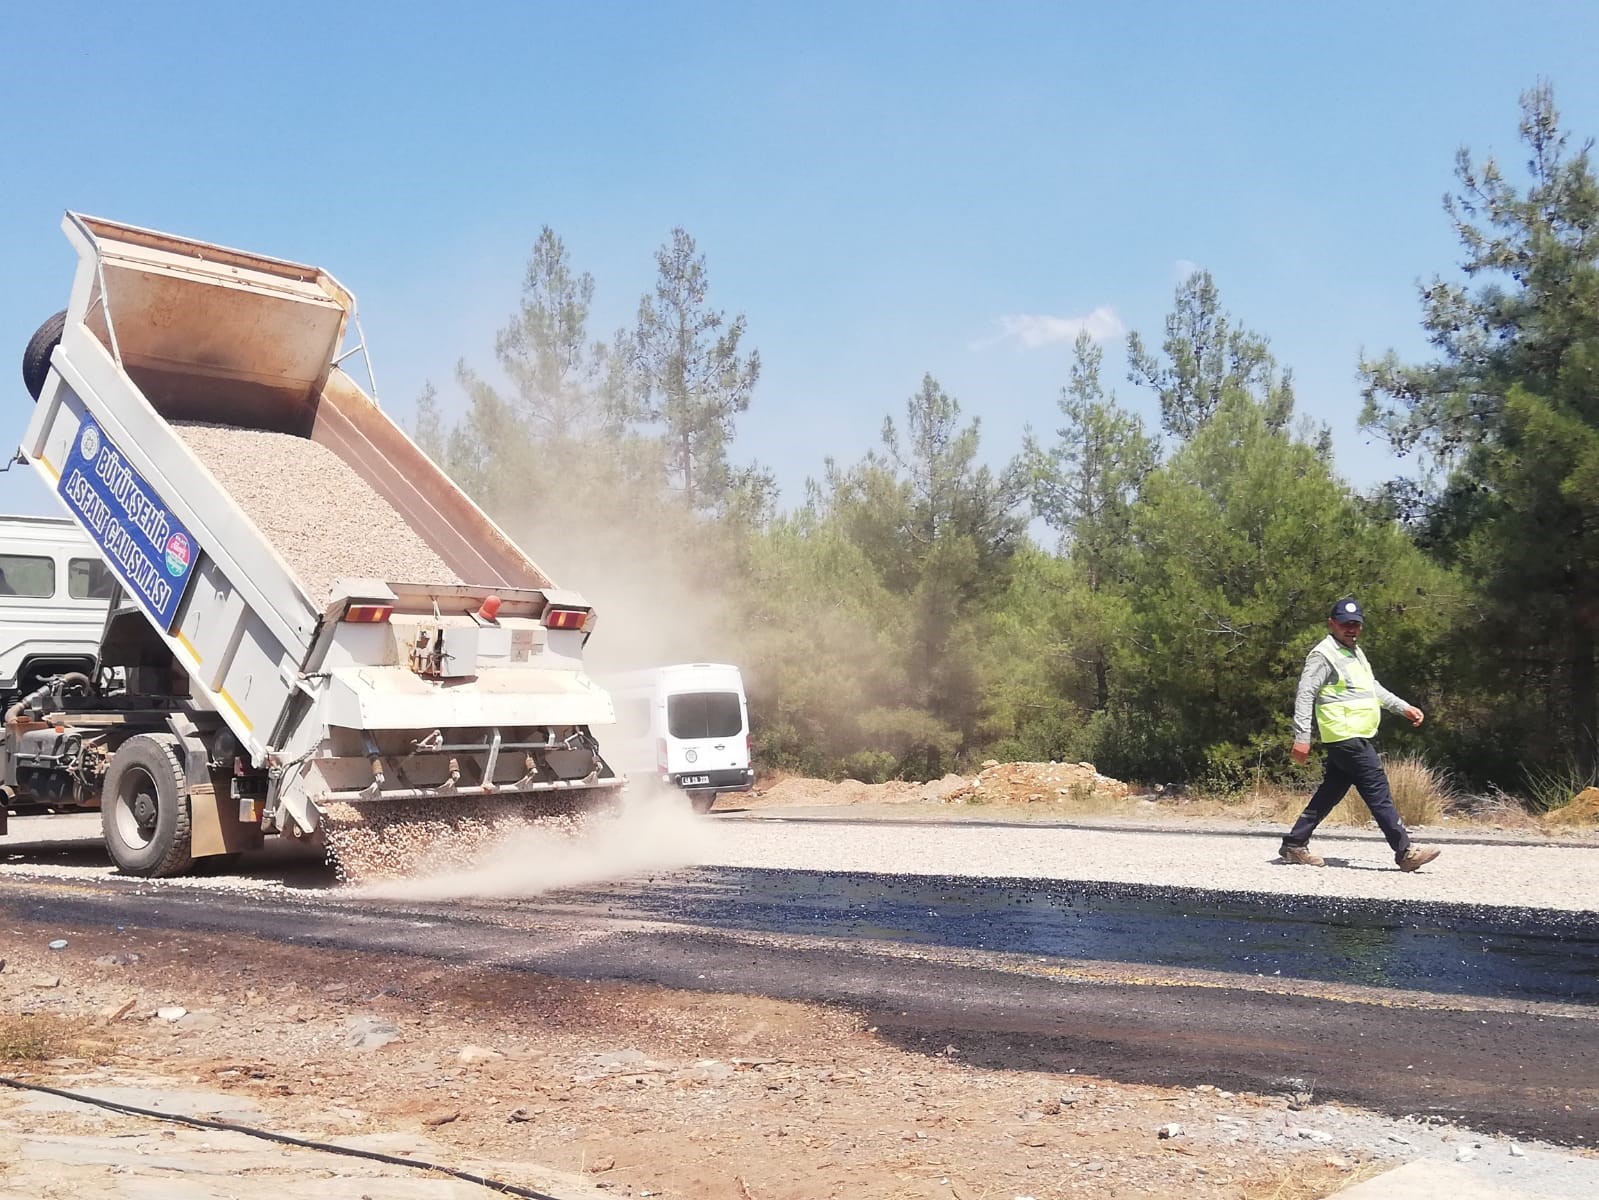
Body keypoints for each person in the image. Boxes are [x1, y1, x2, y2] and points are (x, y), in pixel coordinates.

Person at [1280, 596, 1441, 872]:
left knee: (1330, 792)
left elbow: (1372, 688)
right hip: (1344, 735)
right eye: (1345, 624)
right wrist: (1302, 737)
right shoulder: (1324, 654)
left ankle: (1294, 844)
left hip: (1353, 735)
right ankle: (1405, 852)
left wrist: (1403, 708)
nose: (1351, 629)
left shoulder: (1354, 652)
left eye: (1355, 624)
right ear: (1332, 624)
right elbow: (1305, 694)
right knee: (1377, 789)